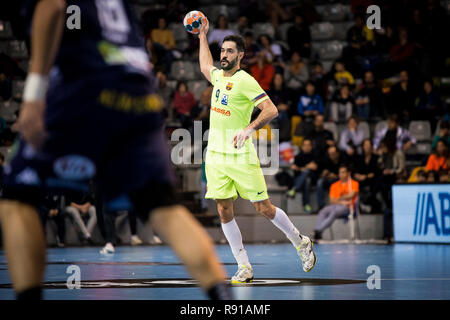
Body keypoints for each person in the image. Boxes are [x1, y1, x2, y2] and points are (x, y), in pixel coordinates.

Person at [0, 0, 231, 300]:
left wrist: (32, 96)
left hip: (84, 84)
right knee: (164, 208)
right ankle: (224, 301)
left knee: (17, 199)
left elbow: (52, 6)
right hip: (138, 91)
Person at [198, 20, 316, 283]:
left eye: (230, 51)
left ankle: (301, 241)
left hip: (240, 155)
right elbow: (205, 66)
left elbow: (271, 110)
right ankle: (244, 267)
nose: (224, 55)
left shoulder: (245, 80)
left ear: (240, 55)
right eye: (223, 51)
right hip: (215, 156)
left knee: (263, 207)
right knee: (223, 210)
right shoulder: (218, 76)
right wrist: (202, 36)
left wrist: (248, 129)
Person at [312, 165, 359, 241]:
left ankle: (317, 231)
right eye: (340, 172)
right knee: (323, 211)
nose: (341, 174)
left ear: (348, 173)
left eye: (343, 172)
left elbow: (352, 195)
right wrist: (343, 200)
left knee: (335, 212)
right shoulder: (334, 185)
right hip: (338, 205)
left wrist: (339, 198)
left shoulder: (354, 183)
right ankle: (318, 232)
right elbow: (332, 201)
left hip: (348, 207)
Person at [286, 139, 318, 214]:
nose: (307, 147)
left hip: (313, 178)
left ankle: (294, 189)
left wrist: (301, 168)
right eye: (305, 145)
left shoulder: (315, 156)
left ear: (311, 146)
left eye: (308, 145)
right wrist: (307, 167)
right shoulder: (298, 157)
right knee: (307, 180)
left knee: (307, 174)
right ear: (302, 147)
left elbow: (315, 167)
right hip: (300, 179)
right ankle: (306, 204)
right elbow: (295, 170)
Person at [353, 139, 380, 213]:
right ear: (363, 147)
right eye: (365, 145)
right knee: (353, 183)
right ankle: (357, 205)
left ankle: (373, 206)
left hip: (373, 180)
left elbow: (376, 172)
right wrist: (357, 175)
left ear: (371, 146)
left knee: (376, 182)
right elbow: (356, 170)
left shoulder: (376, 157)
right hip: (361, 180)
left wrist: (365, 176)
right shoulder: (359, 158)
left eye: (368, 145)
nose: (367, 147)